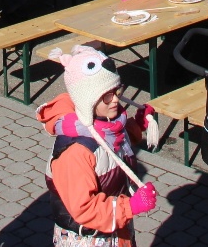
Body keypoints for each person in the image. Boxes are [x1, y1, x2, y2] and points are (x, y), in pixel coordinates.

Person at [35, 45, 158, 246]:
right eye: (106, 95)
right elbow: (84, 208)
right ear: (88, 100)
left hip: (114, 228)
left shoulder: (108, 124)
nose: (115, 99)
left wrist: (138, 125)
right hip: (87, 239)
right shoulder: (76, 152)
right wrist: (131, 207)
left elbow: (115, 145)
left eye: (117, 91)